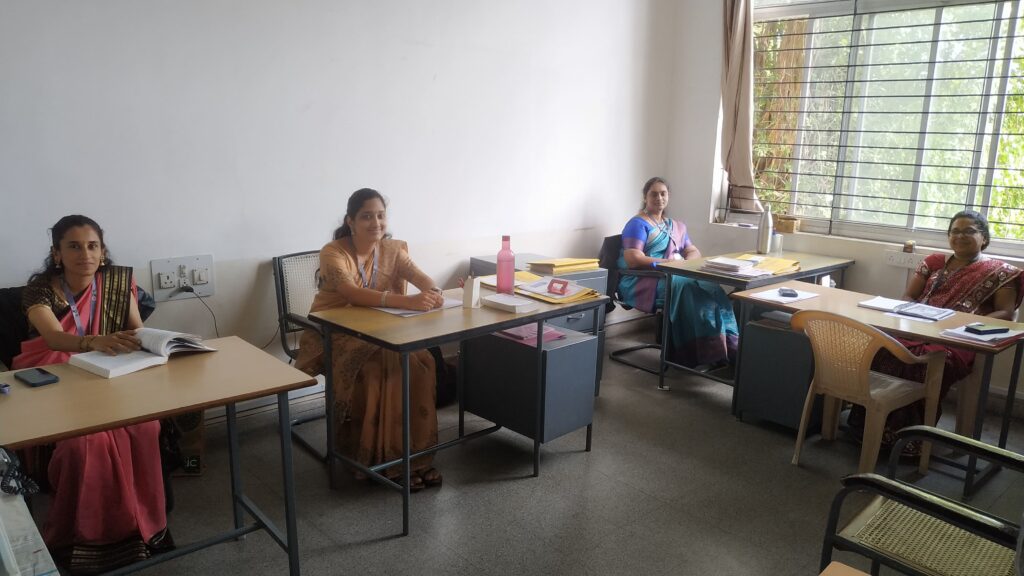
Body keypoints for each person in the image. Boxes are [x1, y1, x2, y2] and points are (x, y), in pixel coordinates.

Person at [13, 215, 170, 574]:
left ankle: (139, 525)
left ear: (102, 252)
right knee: (86, 443)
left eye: (92, 246)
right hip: (54, 372)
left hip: (107, 368)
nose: (85, 254)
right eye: (73, 246)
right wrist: (92, 342)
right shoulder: (39, 290)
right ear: (57, 253)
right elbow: (53, 338)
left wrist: (163, 344)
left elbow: (136, 331)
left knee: (145, 427)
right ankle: (80, 538)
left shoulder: (118, 283)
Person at [296, 188, 444, 492]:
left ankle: (416, 459)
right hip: (336, 331)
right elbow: (351, 294)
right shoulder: (333, 252)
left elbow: (422, 279)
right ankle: (380, 460)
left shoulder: (393, 250)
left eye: (380, 215)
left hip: (383, 328)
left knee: (421, 362)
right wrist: (408, 302)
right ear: (350, 221)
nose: (376, 223)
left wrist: (434, 293)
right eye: (366, 216)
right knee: (377, 370)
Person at [852, 210, 1023, 454]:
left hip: (960, 339)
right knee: (879, 348)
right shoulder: (933, 263)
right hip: (917, 327)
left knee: (923, 362)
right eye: (955, 231)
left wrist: (964, 324)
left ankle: (909, 438)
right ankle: (869, 426)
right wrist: (913, 313)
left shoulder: (1001, 273)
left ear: (984, 238)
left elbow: (1006, 313)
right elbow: (909, 296)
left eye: (969, 231)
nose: (960, 236)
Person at [617, 177, 739, 368]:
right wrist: (670, 263)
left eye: (663, 193)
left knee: (711, 287)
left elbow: (693, 251)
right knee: (690, 290)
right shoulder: (637, 224)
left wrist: (686, 264)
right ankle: (697, 354)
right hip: (645, 279)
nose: (659, 198)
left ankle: (728, 350)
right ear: (645, 197)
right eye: (654, 194)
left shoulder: (676, 226)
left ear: (668, 196)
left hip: (675, 274)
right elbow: (633, 259)